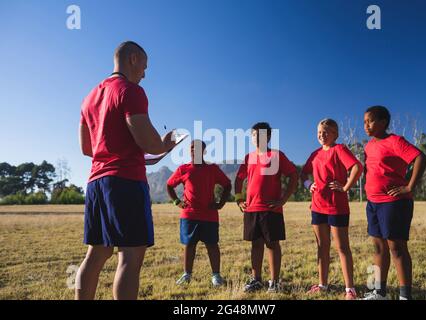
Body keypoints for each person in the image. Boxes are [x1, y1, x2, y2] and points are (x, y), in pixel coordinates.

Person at [76, 41, 176, 300]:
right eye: (144, 66)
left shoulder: (89, 98)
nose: (144, 73)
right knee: (130, 256)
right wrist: (165, 144)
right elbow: (148, 140)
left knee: (96, 253)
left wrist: (138, 155)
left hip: (97, 182)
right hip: (125, 183)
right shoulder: (131, 91)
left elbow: (87, 148)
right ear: (133, 59)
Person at [362, 105, 426, 300]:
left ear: (383, 122)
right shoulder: (368, 145)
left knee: (396, 248)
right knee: (378, 247)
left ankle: (405, 296)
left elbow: (420, 158)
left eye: (370, 121)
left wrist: (409, 186)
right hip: (373, 203)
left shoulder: (394, 141)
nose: (366, 125)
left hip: (393, 202)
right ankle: (379, 292)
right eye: (364, 122)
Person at [301, 119, 362, 300]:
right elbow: (303, 173)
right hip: (317, 206)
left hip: (337, 206)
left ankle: (350, 289)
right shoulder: (315, 154)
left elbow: (357, 167)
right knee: (322, 246)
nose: (322, 135)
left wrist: (345, 187)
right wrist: (308, 184)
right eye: (319, 132)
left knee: (342, 247)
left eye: (326, 132)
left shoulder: (339, 150)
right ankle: (322, 285)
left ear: (335, 134)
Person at [235, 122, 298, 293]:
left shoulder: (276, 155)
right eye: (254, 135)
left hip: (271, 209)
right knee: (256, 245)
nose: (257, 138)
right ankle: (256, 280)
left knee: (272, 244)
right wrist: (239, 199)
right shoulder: (248, 158)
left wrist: (283, 199)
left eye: (261, 135)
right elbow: (239, 179)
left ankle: (274, 282)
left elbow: (293, 175)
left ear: (268, 137)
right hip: (252, 208)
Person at [166, 140, 231, 287]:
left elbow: (227, 185)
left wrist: (220, 203)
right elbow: (169, 185)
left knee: (212, 245)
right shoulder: (184, 169)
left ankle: (216, 276)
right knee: (189, 245)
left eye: (198, 148)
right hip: (189, 215)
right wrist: (177, 202)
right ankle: (187, 275)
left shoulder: (212, 169)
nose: (194, 150)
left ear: (204, 151)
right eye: (191, 148)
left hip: (209, 215)